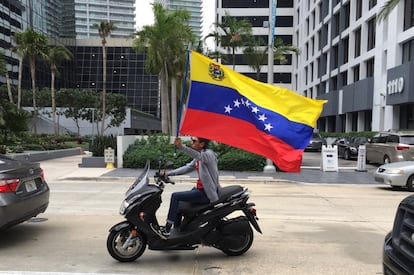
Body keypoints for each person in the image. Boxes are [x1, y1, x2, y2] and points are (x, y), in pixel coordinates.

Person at [159, 136, 221, 235]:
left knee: (175, 196)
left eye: (194, 141)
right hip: (199, 190)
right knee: (178, 205)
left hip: (206, 193)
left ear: (202, 144)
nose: (192, 142)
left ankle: (167, 228)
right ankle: (178, 230)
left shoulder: (208, 154)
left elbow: (200, 157)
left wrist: (181, 147)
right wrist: (168, 174)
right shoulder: (199, 156)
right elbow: (187, 168)